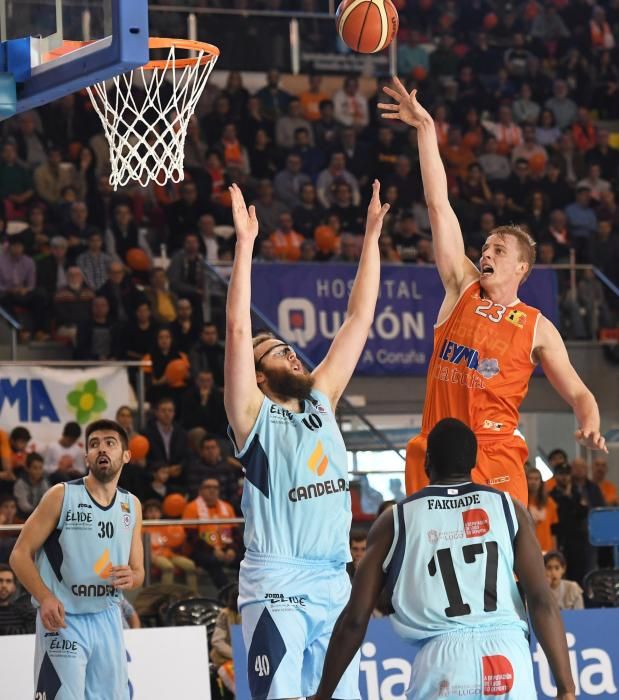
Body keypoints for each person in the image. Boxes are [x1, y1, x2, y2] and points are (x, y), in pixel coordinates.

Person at [379, 77, 606, 505]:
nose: (486, 252)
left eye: (498, 249)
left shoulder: (538, 327)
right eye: (484, 247)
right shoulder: (462, 287)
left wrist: (589, 420)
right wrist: (426, 130)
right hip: (436, 451)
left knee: (510, 565)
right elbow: (438, 206)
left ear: (521, 267)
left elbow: (579, 392)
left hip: (494, 453)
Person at [224, 179, 389, 700]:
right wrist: (245, 246)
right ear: (258, 373)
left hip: (334, 580)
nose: (290, 352)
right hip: (277, 582)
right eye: (275, 351)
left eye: (288, 346)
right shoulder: (251, 414)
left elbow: (359, 317)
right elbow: (234, 329)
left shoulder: (321, 395)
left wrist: (370, 240)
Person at [311, 418, 576, 700]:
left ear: (426, 462)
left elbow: (354, 619)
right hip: (509, 654)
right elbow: (541, 600)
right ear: (473, 461)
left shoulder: (397, 518)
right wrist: (566, 688)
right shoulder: (510, 508)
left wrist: (323, 694)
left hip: (444, 660)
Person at [9, 419, 144, 699]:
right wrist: (45, 597)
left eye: (110, 443)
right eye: (94, 444)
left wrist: (133, 577)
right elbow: (19, 554)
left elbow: (139, 571)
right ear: (87, 457)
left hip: (108, 617)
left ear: (126, 455)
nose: (101, 449)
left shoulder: (132, 505)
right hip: (64, 620)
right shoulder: (61, 495)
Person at [0, 563, 36, 635]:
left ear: (14, 587)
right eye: (0, 580)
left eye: (8, 581)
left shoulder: (25, 613)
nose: (4, 585)